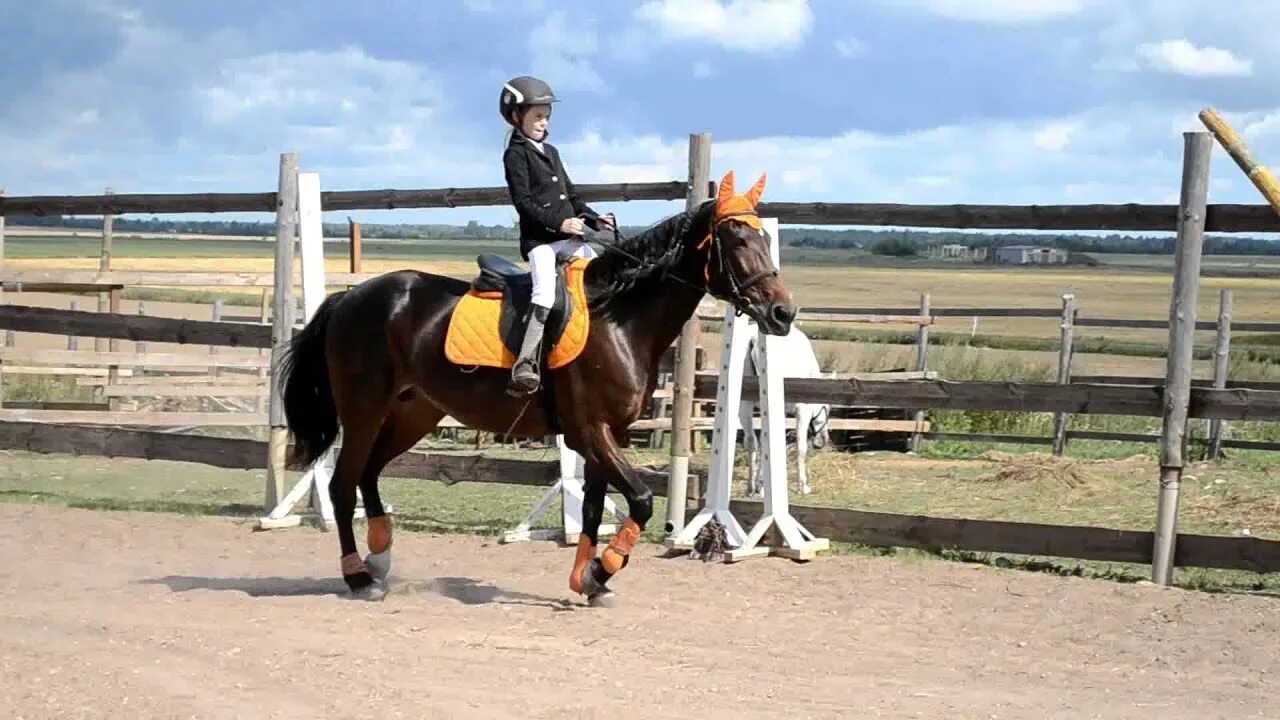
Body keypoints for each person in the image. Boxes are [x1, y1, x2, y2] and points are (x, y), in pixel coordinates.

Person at [499, 75, 614, 397]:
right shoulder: (516, 155)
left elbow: (572, 197)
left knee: (600, 283)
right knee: (546, 294)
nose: (543, 121)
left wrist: (594, 220)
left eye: (546, 116)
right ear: (516, 116)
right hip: (540, 244)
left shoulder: (551, 150)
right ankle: (525, 362)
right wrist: (560, 225)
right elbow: (524, 203)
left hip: (571, 241)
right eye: (537, 116)